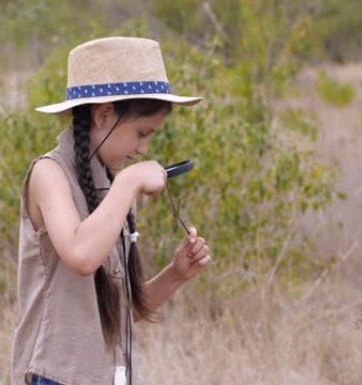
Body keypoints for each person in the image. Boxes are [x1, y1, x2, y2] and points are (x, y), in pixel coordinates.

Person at [11, 37, 212, 385]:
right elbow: (81, 255)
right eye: (141, 133)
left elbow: (117, 313)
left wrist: (177, 273)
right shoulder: (50, 174)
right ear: (103, 114)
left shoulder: (110, 186)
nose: (144, 148)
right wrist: (130, 182)